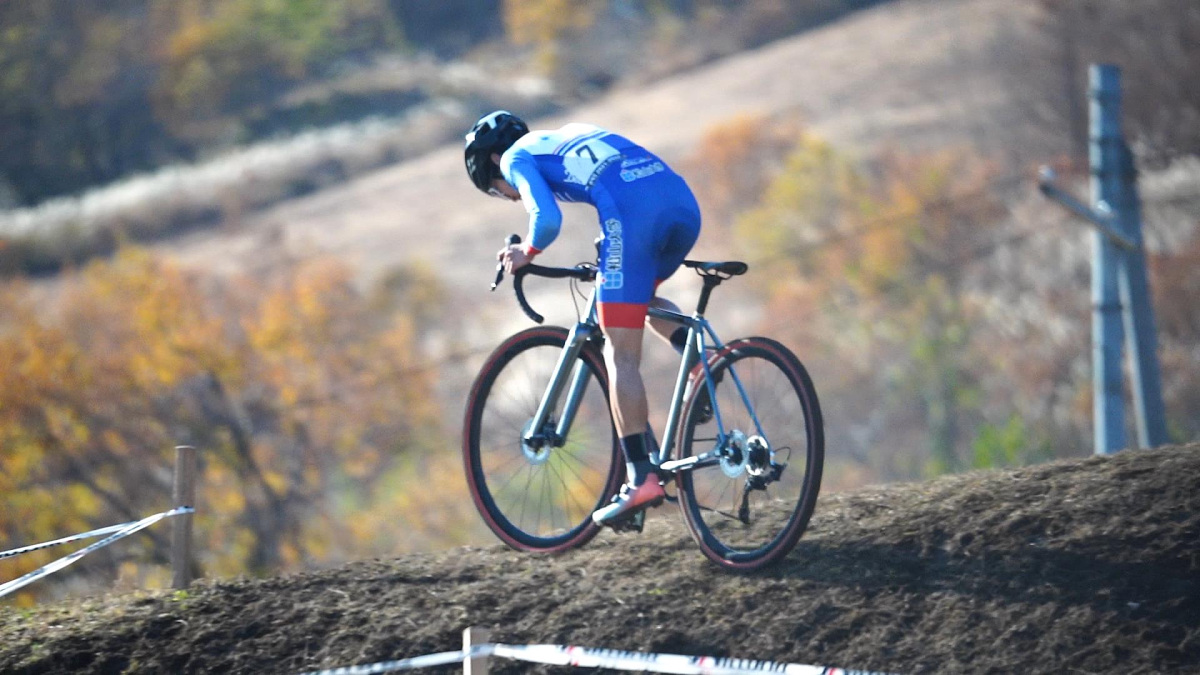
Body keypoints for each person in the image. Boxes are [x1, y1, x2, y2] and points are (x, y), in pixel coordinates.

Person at [464, 110, 702, 527]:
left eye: (498, 191)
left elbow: (547, 218)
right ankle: (700, 366)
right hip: (681, 203)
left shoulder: (513, 159)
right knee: (640, 299)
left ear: (493, 162)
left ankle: (642, 478)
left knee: (619, 351)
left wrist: (527, 252)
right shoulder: (566, 135)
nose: (509, 195)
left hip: (633, 215)